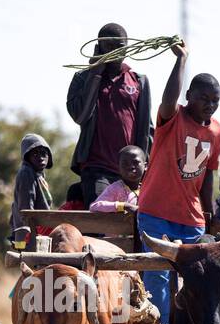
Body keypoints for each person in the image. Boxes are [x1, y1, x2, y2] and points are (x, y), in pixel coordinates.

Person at [135, 41, 220, 324]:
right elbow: (168, 99)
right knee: (158, 275)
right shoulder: (172, 118)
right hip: (156, 212)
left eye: (215, 101)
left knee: (199, 277)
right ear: (189, 97)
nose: (209, 105)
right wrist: (182, 60)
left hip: (191, 218)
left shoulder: (217, 131)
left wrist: (210, 216)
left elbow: (209, 174)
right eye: (203, 99)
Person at [66, 22, 154, 206]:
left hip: (131, 169)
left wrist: (149, 166)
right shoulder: (82, 78)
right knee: (102, 218)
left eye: (119, 47)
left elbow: (148, 130)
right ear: (98, 48)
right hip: (96, 166)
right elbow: (80, 116)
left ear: (127, 49)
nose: (114, 51)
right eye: (108, 46)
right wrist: (96, 73)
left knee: (133, 225)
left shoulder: (139, 81)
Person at [9, 133, 54, 250]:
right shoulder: (26, 173)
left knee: (46, 267)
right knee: (38, 264)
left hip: (36, 231)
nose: (41, 157)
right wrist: (30, 238)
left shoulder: (39, 175)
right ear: (27, 156)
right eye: (35, 153)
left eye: (44, 153)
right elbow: (27, 209)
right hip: (28, 233)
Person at [89, 145, 145, 213]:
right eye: (125, 164)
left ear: (146, 166)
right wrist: (124, 206)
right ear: (118, 168)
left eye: (136, 162)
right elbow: (95, 206)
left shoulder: (147, 190)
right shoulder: (116, 188)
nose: (131, 167)